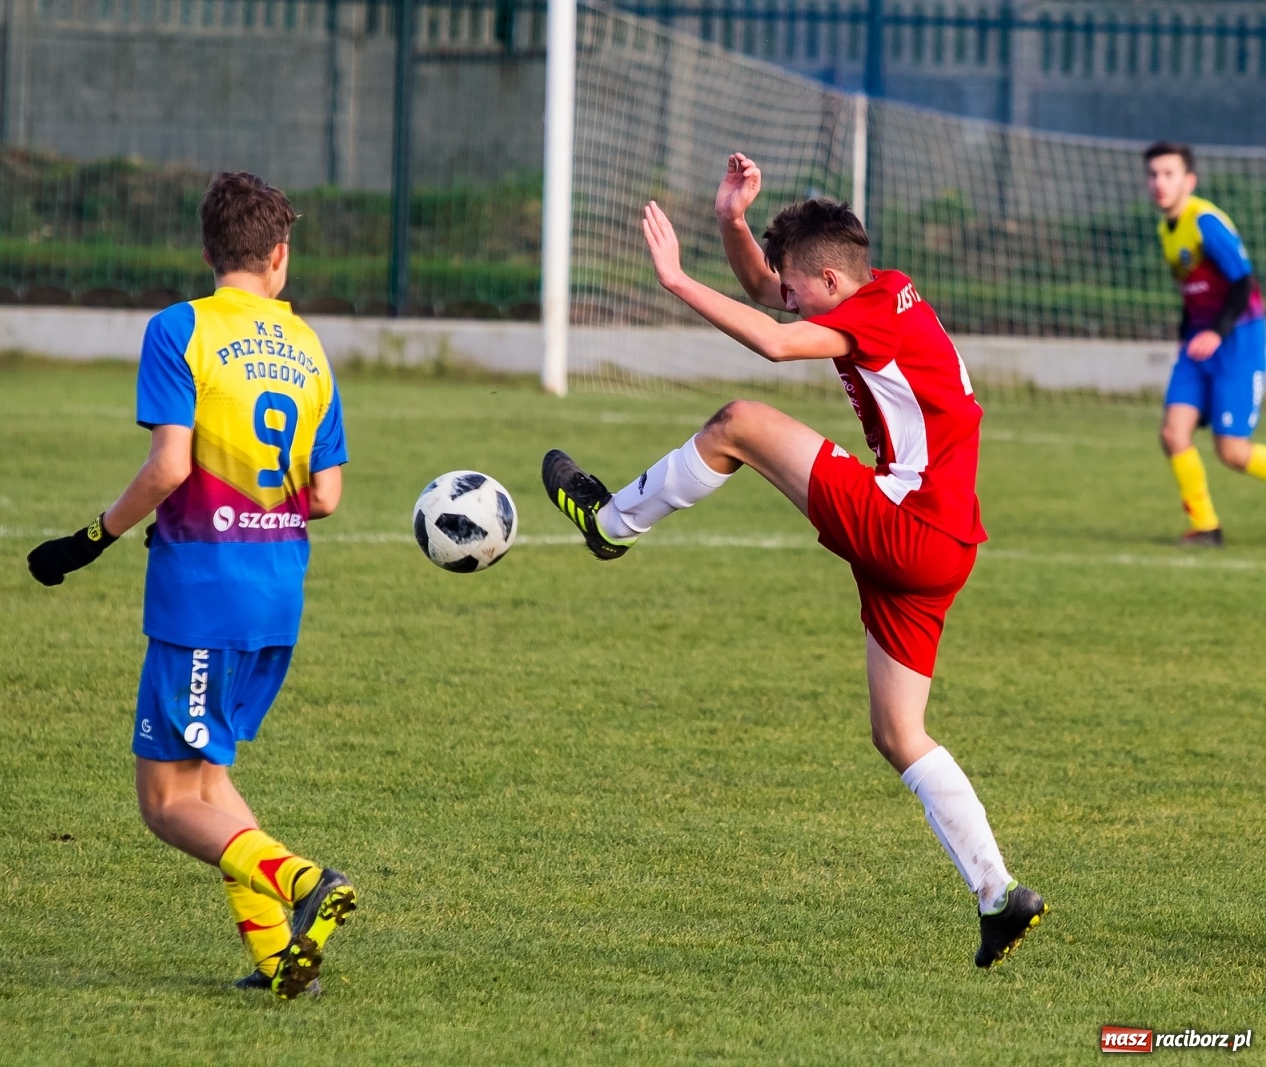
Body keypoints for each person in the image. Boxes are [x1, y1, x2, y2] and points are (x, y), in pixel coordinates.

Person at [541, 153, 1045, 967]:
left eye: (795, 283)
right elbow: (770, 300)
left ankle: (611, 523)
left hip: (906, 523)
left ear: (833, 281)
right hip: (942, 547)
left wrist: (674, 280)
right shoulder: (877, 291)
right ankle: (997, 892)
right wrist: (732, 223)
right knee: (898, 731)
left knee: (738, 419)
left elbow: (774, 343)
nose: (783, 294)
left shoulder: (871, 312)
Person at [26, 171, 356, 1000]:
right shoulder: (311, 346)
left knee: (164, 800)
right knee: (208, 780)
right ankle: (282, 956)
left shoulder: (181, 330)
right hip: (279, 591)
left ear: (209, 251)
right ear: (280, 257)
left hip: (204, 589)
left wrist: (92, 537)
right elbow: (326, 494)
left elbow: (170, 465)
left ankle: (304, 877)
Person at [1146, 141, 1266, 546]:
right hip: (1199, 345)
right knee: (1173, 433)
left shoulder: (1205, 222)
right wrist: (1188, 335)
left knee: (1232, 451)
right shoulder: (1167, 228)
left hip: (1238, 341)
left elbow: (1243, 283)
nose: (1159, 183)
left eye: (1168, 174)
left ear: (1189, 180)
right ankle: (1206, 527)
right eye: (1153, 174)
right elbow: (1193, 292)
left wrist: (1217, 332)